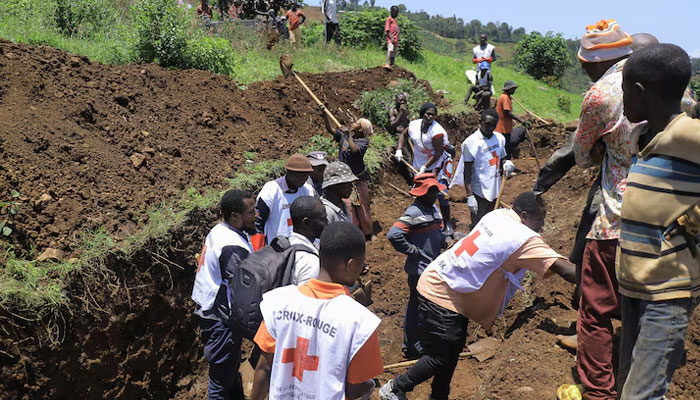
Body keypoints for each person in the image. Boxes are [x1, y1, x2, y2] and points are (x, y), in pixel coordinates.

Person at [379, 192, 577, 400]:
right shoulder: (523, 237)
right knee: (441, 356)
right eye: (540, 220)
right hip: (443, 294)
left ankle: (439, 396)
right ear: (525, 216)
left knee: (452, 352)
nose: (542, 226)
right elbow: (567, 271)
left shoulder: (498, 215)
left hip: (443, 282)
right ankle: (394, 389)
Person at [556, 19, 635, 400]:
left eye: (585, 63)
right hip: (669, 214)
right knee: (645, 308)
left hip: (618, 215)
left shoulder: (600, 95)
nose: (584, 70)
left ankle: (598, 393)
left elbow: (583, 155)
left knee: (596, 307)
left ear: (598, 61)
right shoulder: (670, 86)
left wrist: (605, 152)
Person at [616, 43, 700, 399]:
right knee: (631, 388)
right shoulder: (645, 136)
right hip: (635, 288)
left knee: (641, 396)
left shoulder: (686, 135)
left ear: (638, 92)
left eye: (623, 93)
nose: (621, 102)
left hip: (668, 292)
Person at [250, 222, 383, 400]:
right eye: (361, 263)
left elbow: (264, 368)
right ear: (351, 265)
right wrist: (368, 386)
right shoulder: (360, 323)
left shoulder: (279, 302)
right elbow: (356, 388)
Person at [192, 189, 256, 400]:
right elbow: (241, 286)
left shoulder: (220, 230)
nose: (255, 214)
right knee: (220, 380)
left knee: (228, 370)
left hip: (211, 310)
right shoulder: (231, 246)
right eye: (250, 211)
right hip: (220, 319)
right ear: (235, 216)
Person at [387, 173, 445, 359]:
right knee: (417, 308)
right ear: (421, 193)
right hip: (419, 270)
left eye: (436, 191)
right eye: (431, 191)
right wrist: (412, 250)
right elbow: (394, 235)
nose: (435, 195)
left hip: (432, 268)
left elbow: (439, 231)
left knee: (427, 307)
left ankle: (422, 341)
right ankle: (412, 346)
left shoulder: (434, 209)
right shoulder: (414, 212)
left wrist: (444, 241)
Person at [395, 102, 454, 235]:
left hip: (438, 164)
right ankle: (426, 222)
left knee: (441, 193)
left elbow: (438, 153)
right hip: (420, 163)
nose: (430, 117)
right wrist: (399, 150)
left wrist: (425, 167)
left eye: (433, 115)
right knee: (422, 192)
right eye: (428, 114)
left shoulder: (437, 131)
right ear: (422, 114)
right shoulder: (414, 125)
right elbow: (404, 135)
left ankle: (448, 224)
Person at [451, 109, 513, 228]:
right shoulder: (471, 143)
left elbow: (503, 157)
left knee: (492, 222)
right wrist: (470, 195)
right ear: (480, 122)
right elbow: (467, 170)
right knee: (479, 224)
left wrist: (507, 163)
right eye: (487, 124)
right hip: (480, 190)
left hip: (495, 187)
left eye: (494, 125)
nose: (490, 128)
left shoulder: (499, 138)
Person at [322, 114, 374, 240]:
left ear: (361, 129)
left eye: (357, 122)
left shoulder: (363, 142)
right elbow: (330, 130)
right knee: (349, 207)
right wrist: (324, 115)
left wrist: (348, 135)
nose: (353, 123)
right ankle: (354, 231)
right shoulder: (344, 137)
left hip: (358, 178)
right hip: (344, 179)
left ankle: (368, 233)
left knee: (362, 206)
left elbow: (355, 150)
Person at [252, 154, 317, 250]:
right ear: (289, 172)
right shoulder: (272, 190)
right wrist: (258, 250)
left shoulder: (308, 190)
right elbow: (258, 222)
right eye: (300, 175)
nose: (304, 178)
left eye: (306, 175)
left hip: (301, 247)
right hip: (276, 248)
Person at [288, 196, 327, 286]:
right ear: (306, 223)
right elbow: (307, 299)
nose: (327, 222)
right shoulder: (310, 264)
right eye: (323, 219)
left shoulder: (289, 243)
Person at [495, 80, 528, 160]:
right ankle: (504, 167)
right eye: (513, 89)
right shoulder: (505, 97)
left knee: (506, 148)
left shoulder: (506, 97)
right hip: (503, 128)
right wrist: (520, 120)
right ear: (509, 89)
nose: (514, 91)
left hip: (505, 127)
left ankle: (504, 166)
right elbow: (507, 112)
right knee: (506, 149)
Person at [383, 6, 400, 70]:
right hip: (391, 38)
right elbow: (387, 29)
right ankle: (387, 63)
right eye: (395, 12)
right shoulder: (389, 19)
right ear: (391, 12)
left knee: (394, 53)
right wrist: (391, 37)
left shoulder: (395, 20)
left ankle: (392, 64)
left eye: (397, 13)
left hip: (395, 39)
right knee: (390, 49)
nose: (396, 14)